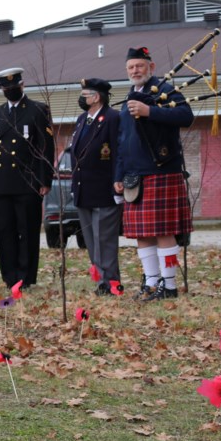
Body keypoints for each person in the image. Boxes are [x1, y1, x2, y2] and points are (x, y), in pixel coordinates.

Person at [114, 47, 193, 301]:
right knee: (142, 233)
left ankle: (168, 286)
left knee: (163, 231)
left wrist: (151, 112)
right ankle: (150, 283)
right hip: (134, 175)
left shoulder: (164, 89)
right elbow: (122, 140)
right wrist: (118, 173)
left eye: (139, 66)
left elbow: (186, 115)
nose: (135, 71)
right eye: (130, 68)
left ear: (151, 66)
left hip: (161, 170)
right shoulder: (129, 97)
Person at [0, 68, 55, 289]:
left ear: (22, 86)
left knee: (27, 231)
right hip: (1, 183)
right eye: (6, 89)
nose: (10, 91)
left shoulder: (37, 110)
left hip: (27, 181)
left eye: (13, 88)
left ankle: (26, 277)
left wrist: (45, 180)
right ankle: (10, 276)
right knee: (4, 232)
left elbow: (46, 147)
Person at [71, 78, 121, 296]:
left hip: (103, 188)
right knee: (91, 240)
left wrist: (118, 181)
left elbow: (118, 153)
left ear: (97, 97)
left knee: (104, 240)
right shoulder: (83, 119)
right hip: (84, 189)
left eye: (85, 95)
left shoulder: (112, 118)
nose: (81, 99)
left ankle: (111, 284)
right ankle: (100, 280)